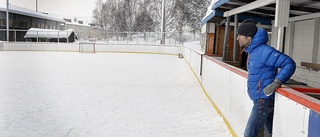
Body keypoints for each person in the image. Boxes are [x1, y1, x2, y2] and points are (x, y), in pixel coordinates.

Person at [236, 19, 296, 137]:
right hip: (260, 98)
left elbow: (289, 63)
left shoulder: (264, 51)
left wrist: (276, 82)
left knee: (249, 134)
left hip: (263, 100)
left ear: (249, 37)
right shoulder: (252, 51)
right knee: (273, 131)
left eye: (240, 35)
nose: (237, 38)